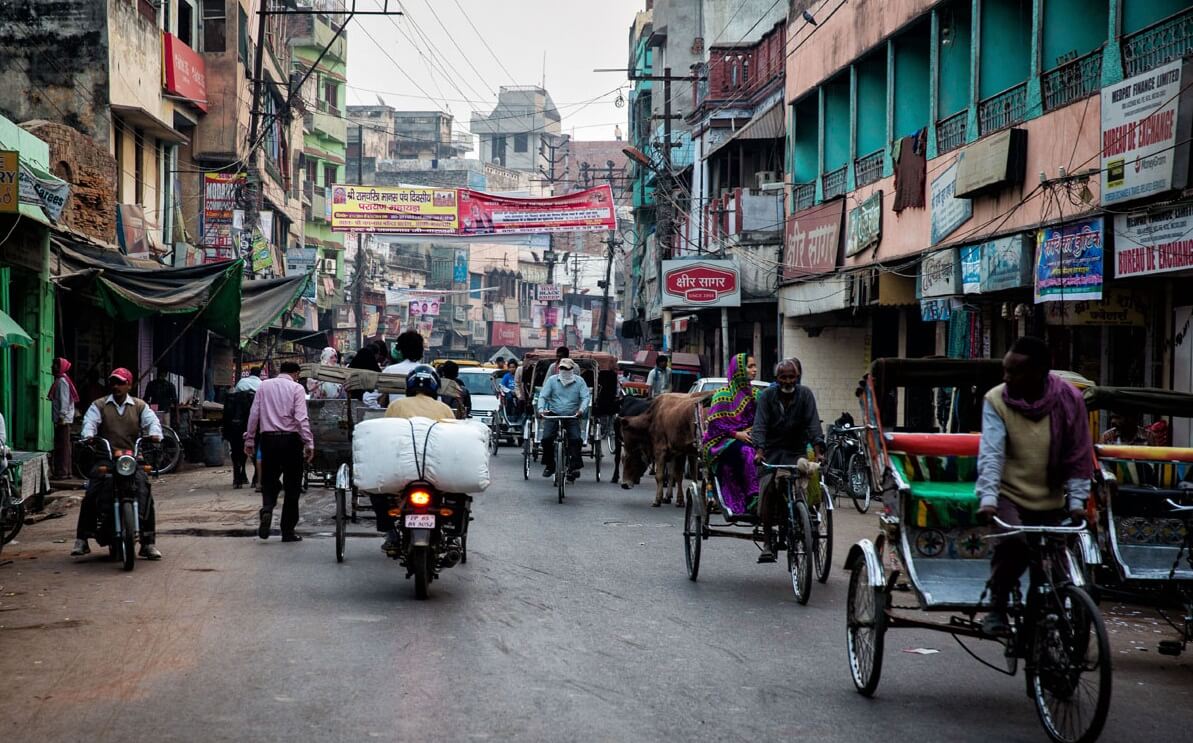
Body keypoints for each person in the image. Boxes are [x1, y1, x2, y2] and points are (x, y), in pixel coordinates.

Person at [976, 336, 1092, 636]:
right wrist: (988, 498)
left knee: (1054, 573)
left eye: (1015, 372)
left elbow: (1079, 453)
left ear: (1040, 372)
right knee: (1014, 545)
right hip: (1007, 495)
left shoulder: (1069, 399)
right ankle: (997, 608)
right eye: (1005, 370)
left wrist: (1078, 503)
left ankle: (1044, 631)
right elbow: (991, 453)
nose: (1006, 378)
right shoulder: (996, 400)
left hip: (1050, 498)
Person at [72, 368, 163, 560]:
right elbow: (89, 423)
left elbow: (152, 423)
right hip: (106, 457)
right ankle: (82, 539)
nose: (116, 386)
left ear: (129, 385)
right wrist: (88, 435)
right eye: (113, 382)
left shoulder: (139, 406)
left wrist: (155, 435)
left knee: (144, 489)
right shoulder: (100, 405)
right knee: (93, 489)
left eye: (120, 382)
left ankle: (148, 542)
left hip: (132, 458)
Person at [376, 365, 457, 553]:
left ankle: (391, 533)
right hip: (437, 472)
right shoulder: (445, 409)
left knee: (377, 492)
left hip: (401, 472)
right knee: (459, 494)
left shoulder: (396, 406)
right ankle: (453, 535)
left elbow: (387, 436)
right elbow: (453, 441)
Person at [751, 358, 823, 563]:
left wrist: (818, 451)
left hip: (796, 452)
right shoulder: (766, 397)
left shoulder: (805, 395)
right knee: (767, 489)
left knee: (801, 487)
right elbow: (760, 426)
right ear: (777, 378)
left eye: (792, 377)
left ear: (797, 377)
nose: (788, 381)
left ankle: (801, 520)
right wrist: (759, 451)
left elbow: (813, 424)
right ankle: (767, 542)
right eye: (783, 377)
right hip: (771, 453)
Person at [243, 361, 313, 543]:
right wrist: (308, 442)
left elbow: (254, 414)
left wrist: (249, 439)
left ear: (280, 371)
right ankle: (287, 531)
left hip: (268, 440)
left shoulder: (264, 386)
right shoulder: (297, 388)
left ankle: (267, 508)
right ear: (296, 373)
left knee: (269, 479)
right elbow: (301, 418)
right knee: (292, 486)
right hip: (291, 441)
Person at [701, 353, 760, 519]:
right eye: (750, 366)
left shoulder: (757, 395)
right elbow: (714, 426)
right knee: (748, 453)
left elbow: (765, 420)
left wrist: (754, 430)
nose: (754, 370)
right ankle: (753, 496)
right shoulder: (722, 395)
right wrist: (736, 434)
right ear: (739, 370)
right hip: (722, 442)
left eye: (755, 366)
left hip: (752, 438)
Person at [537, 357, 590, 482]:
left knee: (576, 439)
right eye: (562, 368)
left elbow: (585, 397)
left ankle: (574, 466)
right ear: (559, 369)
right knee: (546, 439)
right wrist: (540, 409)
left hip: (572, 415)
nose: (564, 370)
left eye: (567, 368)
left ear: (572, 369)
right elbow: (543, 396)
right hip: (554, 414)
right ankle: (550, 465)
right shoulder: (552, 381)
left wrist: (581, 410)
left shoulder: (580, 381)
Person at [49, 357, 79, 479]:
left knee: (62, 447)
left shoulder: (62, 382)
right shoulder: (61, 380)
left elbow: (64, 401)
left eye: (55, 365)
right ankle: (65, 471)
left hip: (63, 420)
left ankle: (62, 472)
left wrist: (61, 417)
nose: (52, 367)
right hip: (63, 419)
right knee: (64, 446)